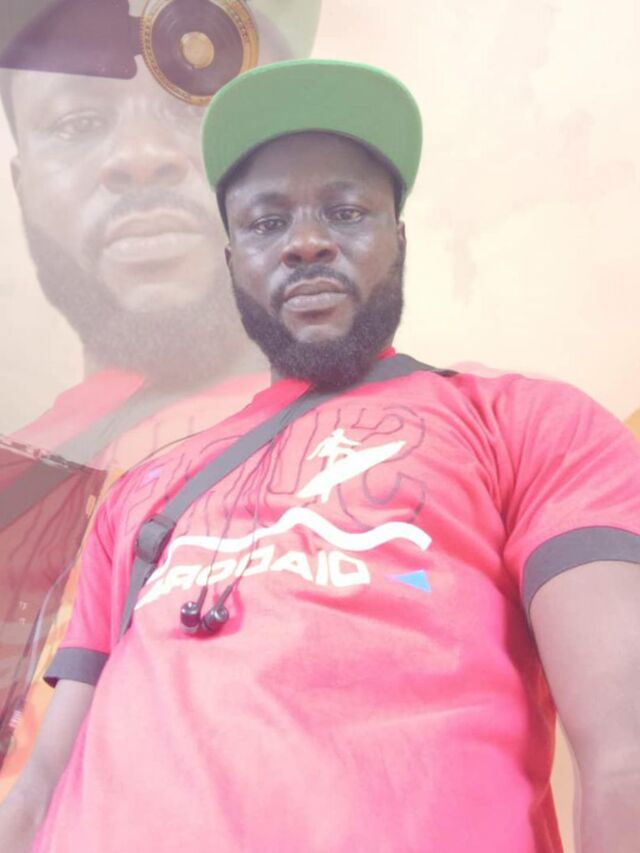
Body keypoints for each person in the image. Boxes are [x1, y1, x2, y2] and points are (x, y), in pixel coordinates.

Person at [2, 59, 639, 852]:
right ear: (232, 263)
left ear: (398, 240)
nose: (306, 243)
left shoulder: (529, 423)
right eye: (266, 222)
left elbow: (624, 754)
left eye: (345, 211)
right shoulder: (141, 491)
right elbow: (40, 785)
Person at [0, 0, 321, 792]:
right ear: (22, 183)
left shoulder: (453, 444)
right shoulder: (16, 483)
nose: (141, 158)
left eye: (202, 101)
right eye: (78, 122)